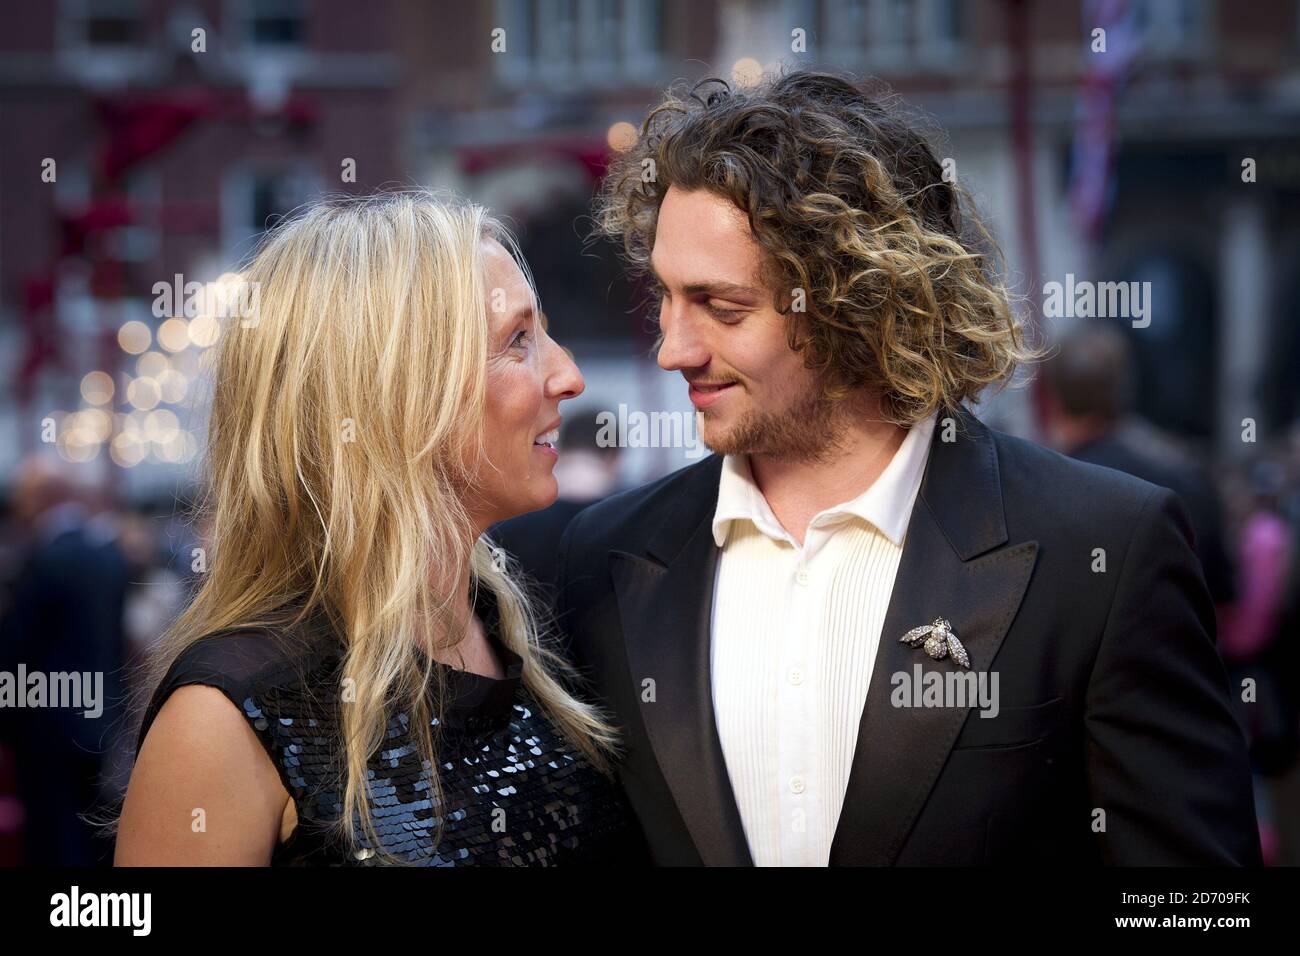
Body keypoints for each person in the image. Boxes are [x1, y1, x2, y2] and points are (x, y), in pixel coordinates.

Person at [504, 71, 1260, 865]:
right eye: (664, 297)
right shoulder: (604, 560)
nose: (673, 348)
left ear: (861, 301)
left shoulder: (1102, 550)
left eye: (722, 309)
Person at [113, 192, 639, 866]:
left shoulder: (516, 631)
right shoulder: (233, 711)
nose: (568, 375)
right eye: (518, 340)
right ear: (395, 397)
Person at [1041, 323, 1236, 609]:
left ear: (1050, 399)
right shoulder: (1189, 474)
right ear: (1123, 387)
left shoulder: (1046, 493)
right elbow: (1224, 599)